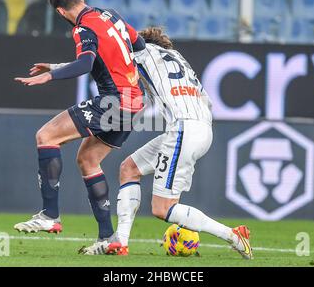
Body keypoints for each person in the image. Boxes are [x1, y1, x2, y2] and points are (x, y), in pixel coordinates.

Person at [92, 27, 252, 259]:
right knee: (129, 168)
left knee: (162, 208)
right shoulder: (181, 62)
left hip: (183, 128)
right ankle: (121, 242)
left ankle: (233, 235)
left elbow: (116, 49)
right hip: (201, 128)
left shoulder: (143, 52)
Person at [13, 0, 146, 251]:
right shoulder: (111, 15)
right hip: (135, 101)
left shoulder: (83, 28)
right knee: (88, 160)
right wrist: (56, 65)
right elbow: (138, 43)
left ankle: (50, 216)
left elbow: (86, 63)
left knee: (46, 136)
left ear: (61, 12)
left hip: (114, 101)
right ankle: (108, 239)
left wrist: (49, 75)